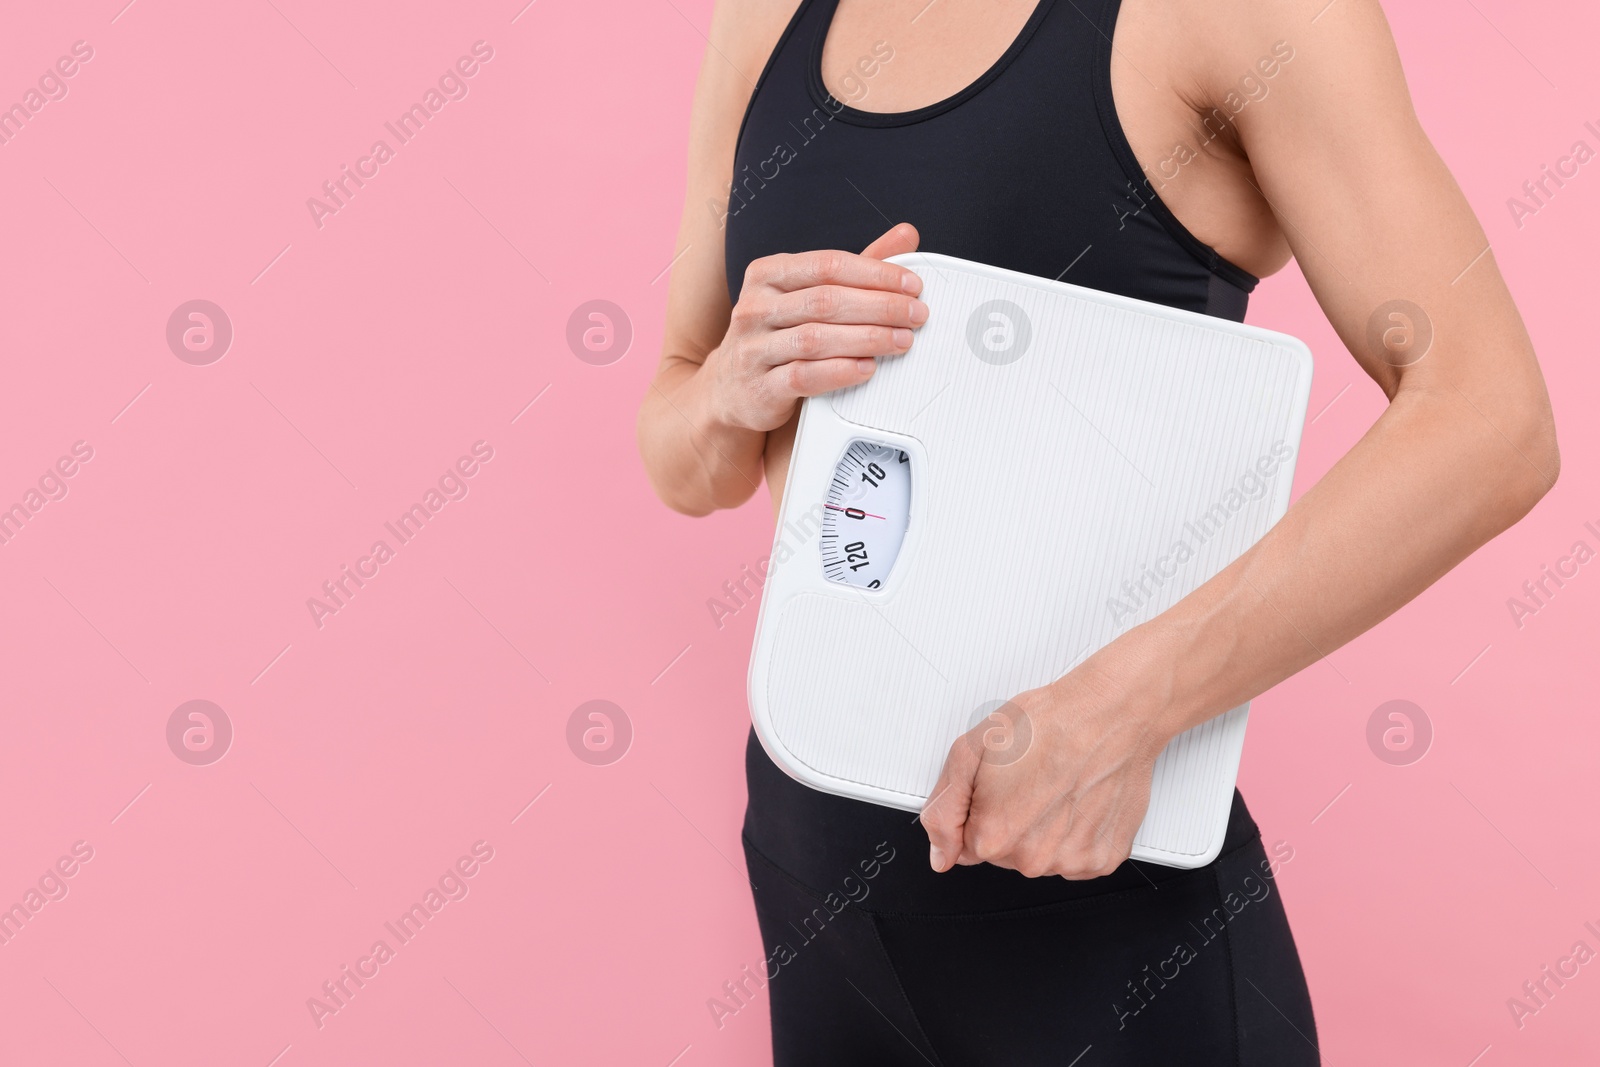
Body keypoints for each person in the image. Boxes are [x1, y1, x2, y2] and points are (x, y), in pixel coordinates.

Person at [635, 0, 1558, 1062]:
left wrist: (1121, 712)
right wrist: (726, 393)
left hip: (1099, 915)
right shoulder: (767, 15)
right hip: (816, 884)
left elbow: (1491, 421)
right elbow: (684, 452)